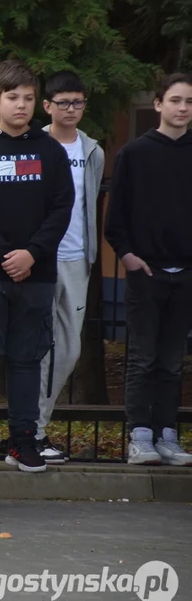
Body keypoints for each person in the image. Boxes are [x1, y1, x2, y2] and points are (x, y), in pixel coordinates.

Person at [0, 59, 73, 473]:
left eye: (27, 98)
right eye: (12, 97)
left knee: (26, 361)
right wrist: (7, 255)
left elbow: (62, 209)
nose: (20, 105)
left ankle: (23, 441)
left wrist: (32, 254)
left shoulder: (51, 152)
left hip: (36, 276)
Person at [105, 72, 192, 466]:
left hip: (186, 274)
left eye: (189, 102)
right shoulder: (135, 154)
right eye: (175, 100)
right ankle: (140, 435)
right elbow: (116, 215)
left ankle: (168, 435)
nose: (183, 108)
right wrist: (127, 255)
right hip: (146, 272)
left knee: (173, 360)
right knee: (142, 357)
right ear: (158, 104)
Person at [30, 71, 104, 463]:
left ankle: (36, 425)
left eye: (77, 102)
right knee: (39, 348)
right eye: (63, 103)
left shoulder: (93, 151)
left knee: (70, 349)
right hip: (40, 258)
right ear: (48, 106)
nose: (71, 110)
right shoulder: (35, 145)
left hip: (77, 259)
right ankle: (33, 431)